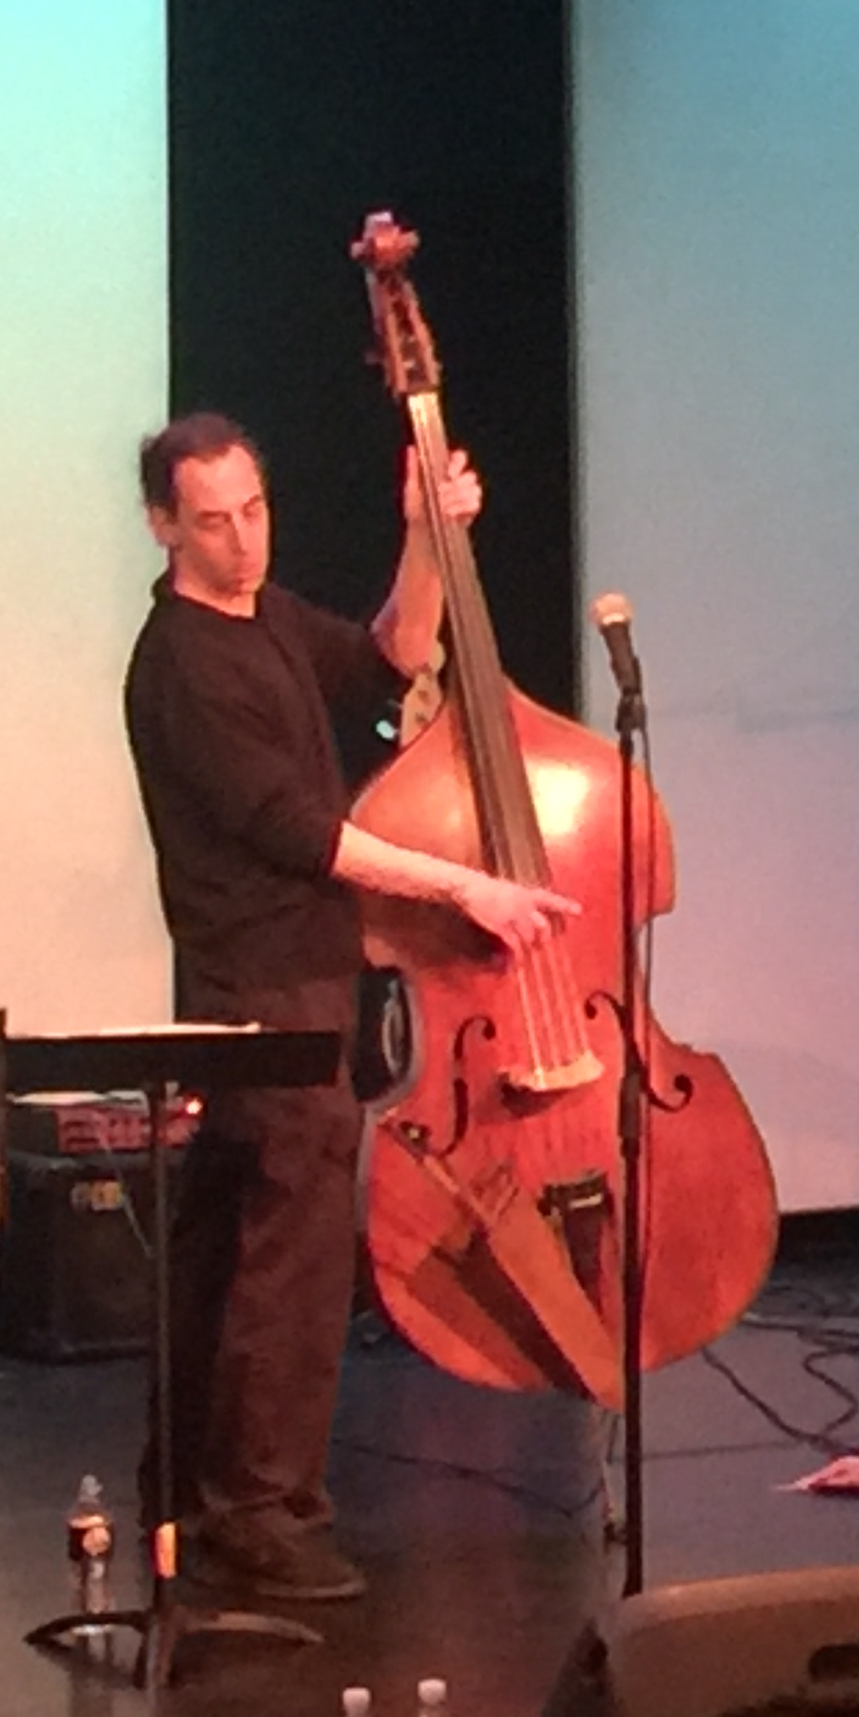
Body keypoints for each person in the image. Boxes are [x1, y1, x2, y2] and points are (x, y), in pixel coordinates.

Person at [123, 412, 573, 1603]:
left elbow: (387, 660)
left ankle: (187, 1495)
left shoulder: (264, 618)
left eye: (254, 511)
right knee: (291, 1263)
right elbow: (307, 837)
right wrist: (466, 886)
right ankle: (261, 1516)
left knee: (235, 1249)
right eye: (212, 522)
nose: (242, 541)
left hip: (294, 981)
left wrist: (424, 534)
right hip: (261, 991)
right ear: (163, 526)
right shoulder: (182, 664)